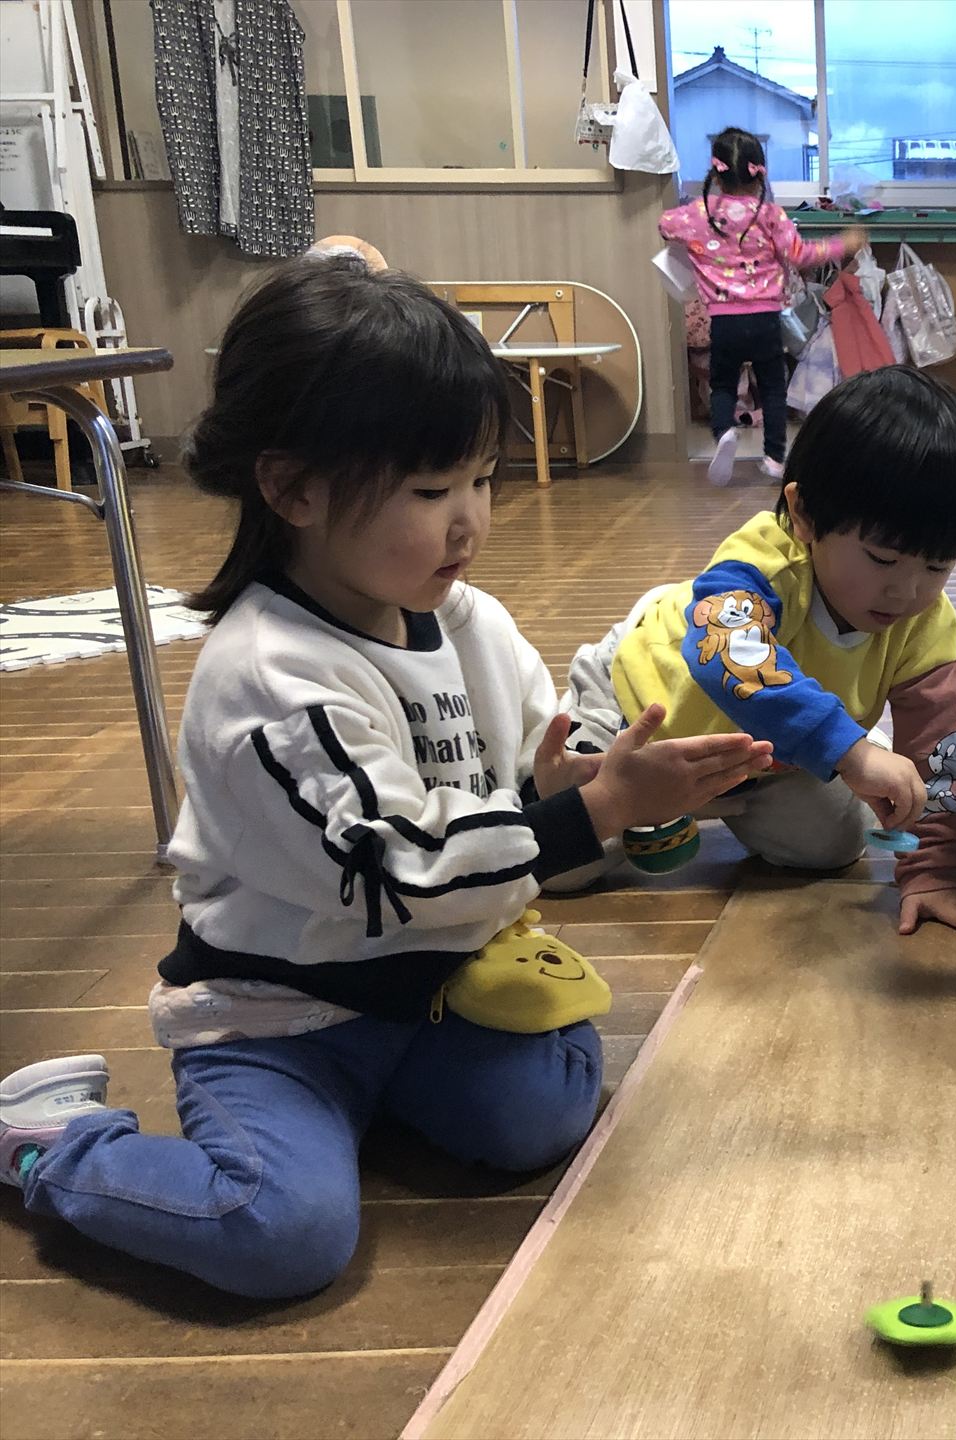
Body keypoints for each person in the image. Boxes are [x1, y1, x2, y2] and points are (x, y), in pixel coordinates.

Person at [0, 258, 771, 1298]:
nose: (469, 520)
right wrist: (593, 812)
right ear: (293, 489)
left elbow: (512, 777)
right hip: (278, 1020)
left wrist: (562, 783)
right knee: (283, 1234)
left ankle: (371, 1108)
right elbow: (400, 867)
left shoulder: (465, 620)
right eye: (430, 490)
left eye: (481, 480)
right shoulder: (272, 678)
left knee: (547, 1110)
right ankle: (56, 1144)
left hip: (429, 990)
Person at [559, 367, 956, 940]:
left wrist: (932, 873)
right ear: (803, 515)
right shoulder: (765, 560)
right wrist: (848, 750)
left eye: (937, 566)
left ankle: (790, 764)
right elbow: (728, 652)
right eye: (882, 559)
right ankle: (831, 744)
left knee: (831, 847)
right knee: (566, 869)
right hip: (638, 711)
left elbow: (937, 750)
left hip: (759, 760)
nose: (907, 592)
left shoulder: (927, 623)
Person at [659, 127, 866, 485]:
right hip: (766, 318)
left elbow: (665, 225)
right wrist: (842, 244)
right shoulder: (770, 215)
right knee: (772, 387)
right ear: (759, 174)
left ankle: (724, 431)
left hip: (724, 320)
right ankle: (773, 457)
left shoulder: (700, 213)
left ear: (717, 175)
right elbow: (801, 255)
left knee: (723, 383)